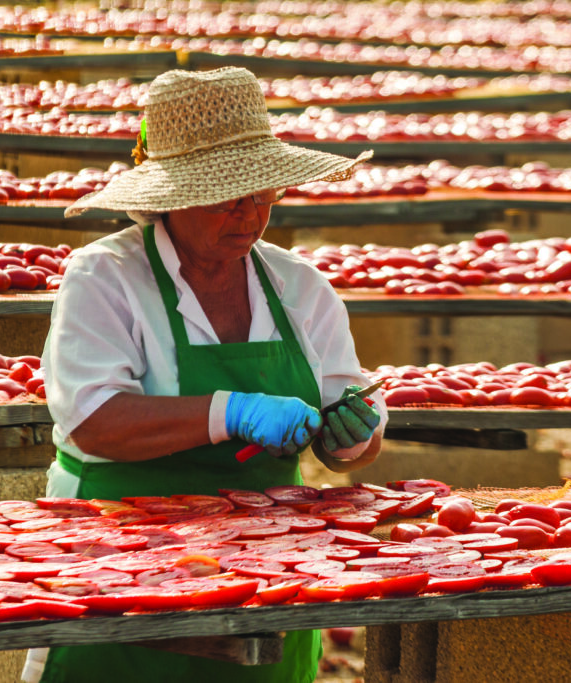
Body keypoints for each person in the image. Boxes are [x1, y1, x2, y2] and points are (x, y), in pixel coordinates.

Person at [20, 67, 387, 683]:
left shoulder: (299, 287)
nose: (250, 214)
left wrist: (354, 434)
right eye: (228, 196)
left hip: (270, 572)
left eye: (263, 192)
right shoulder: (107, 278)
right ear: (173, 194)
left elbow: (351, 443)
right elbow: (93, 422)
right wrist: (230, 412)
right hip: (124, 563)